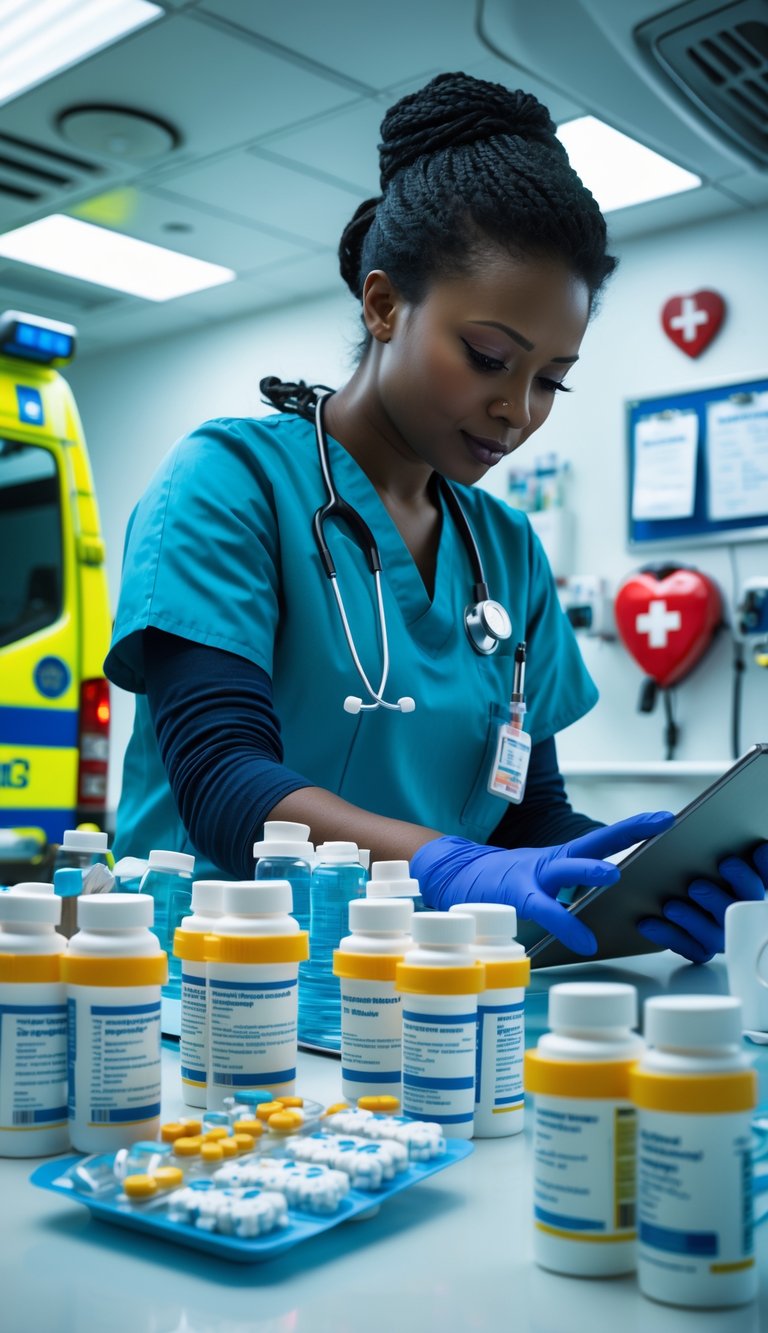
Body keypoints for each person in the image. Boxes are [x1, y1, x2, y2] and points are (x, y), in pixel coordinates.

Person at [105, 71, 767, 965]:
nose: (518, 410)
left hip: (416, 1005)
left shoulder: (508, 553)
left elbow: (531, 817)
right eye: (489, 357)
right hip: (202, 985)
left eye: (551, 379)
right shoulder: (229, 483)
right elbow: (222, 782)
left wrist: (646, 874)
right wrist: (447, 865)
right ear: (384, 305)